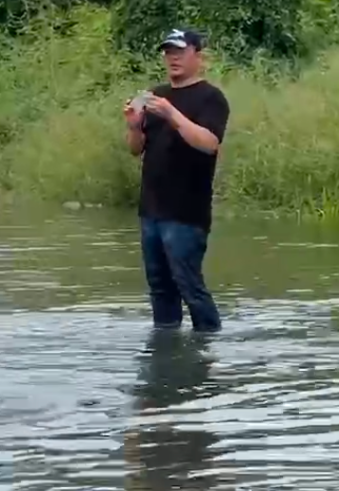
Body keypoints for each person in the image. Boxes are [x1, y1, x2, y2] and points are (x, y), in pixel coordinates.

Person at [123, 29, 230, 333]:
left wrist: (172, 114)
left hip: (186, 212)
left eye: (180, 51)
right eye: (168, 52)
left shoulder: (211, 97)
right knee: (159, 288)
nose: (173, 58)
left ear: (199, 55)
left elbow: (209, 143)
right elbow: (135, 150)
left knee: (189, 285)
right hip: (151, 209)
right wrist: (134, 127)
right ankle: (167, 352)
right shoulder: (155, 95)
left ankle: (207, 348)